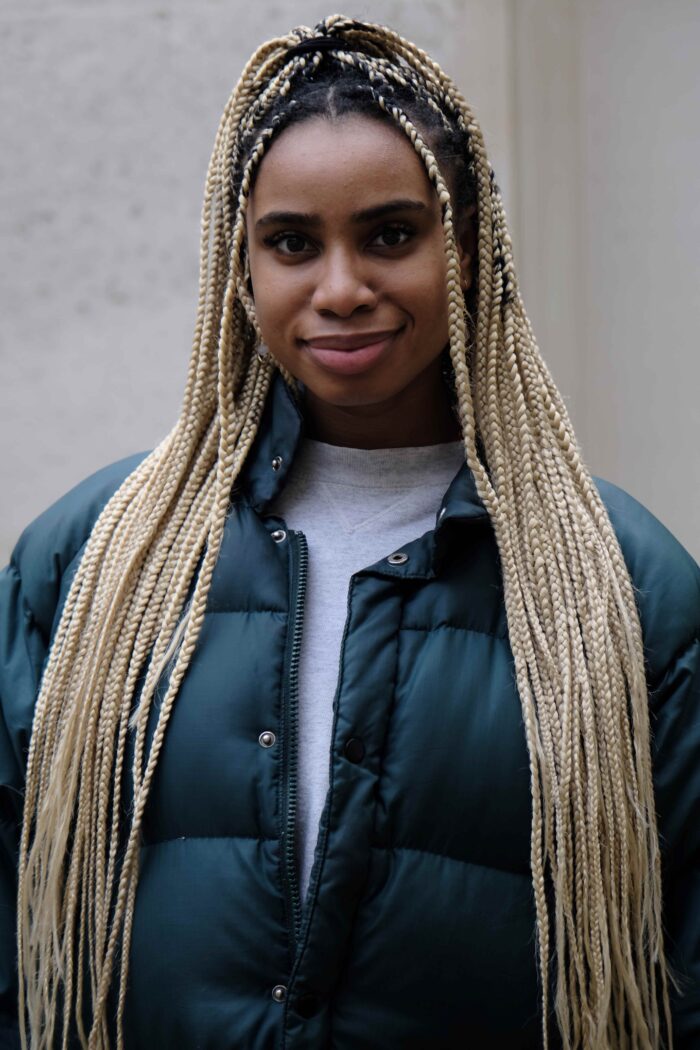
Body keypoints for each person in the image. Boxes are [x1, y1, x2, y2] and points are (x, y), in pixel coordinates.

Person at [0, 13, 698, 1050]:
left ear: (465, 250)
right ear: (240, 267)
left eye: (389, 235)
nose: (340, 289)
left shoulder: (622, 586)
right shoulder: (92, 561)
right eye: (291, 243)